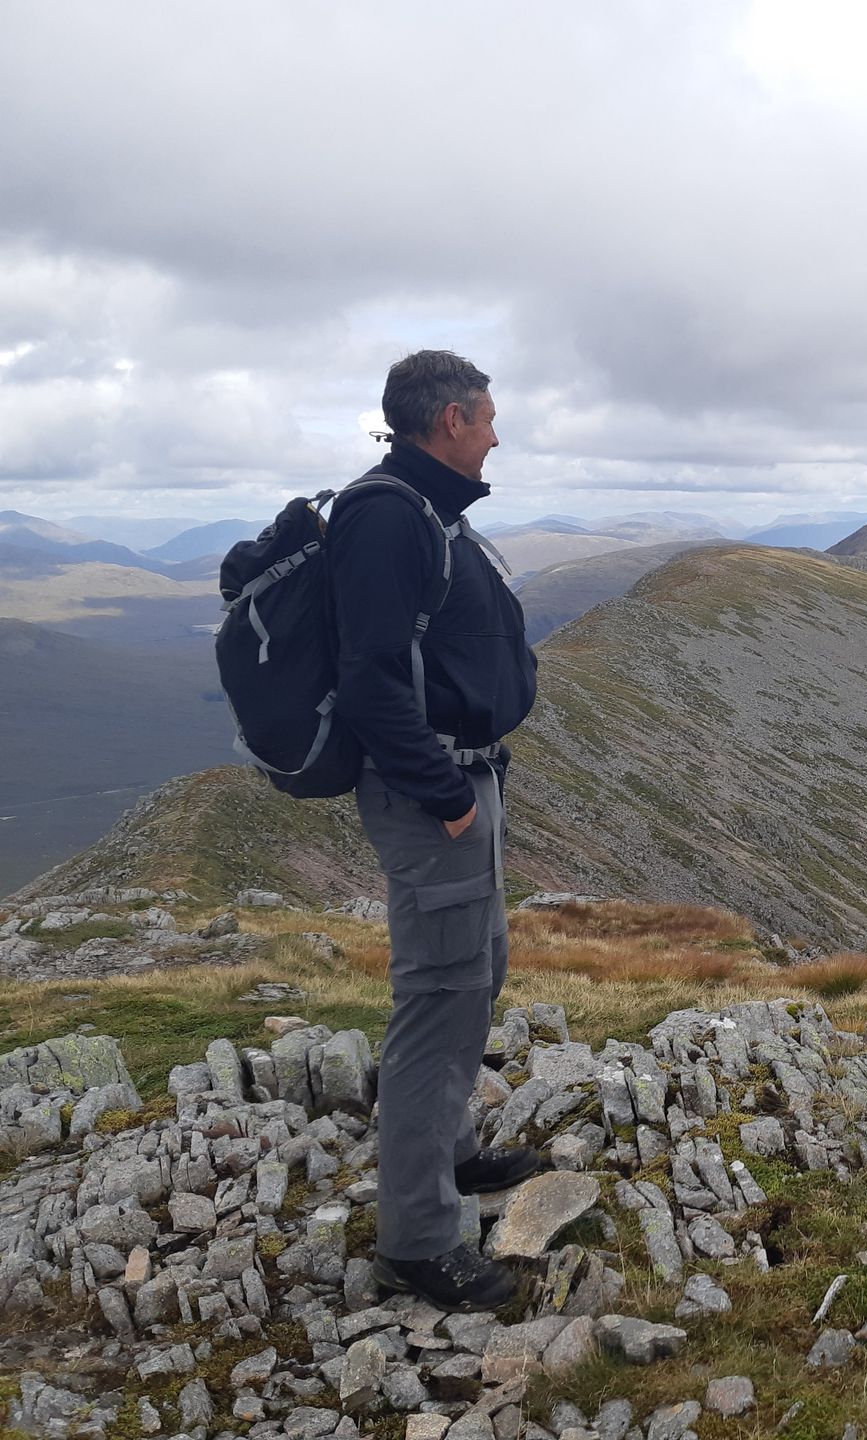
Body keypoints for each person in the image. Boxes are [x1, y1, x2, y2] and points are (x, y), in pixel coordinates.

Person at [331, 349, 539, 1310]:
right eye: (489, 417)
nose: (497, 433)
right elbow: (369, 675)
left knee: (478, 968)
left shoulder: (427, 511)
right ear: (450, 419)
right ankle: (417, 1240)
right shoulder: (385, 516)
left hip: (463, 782)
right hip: (434, 796)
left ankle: (450, 1155)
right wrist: (443, 795)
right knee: (441, 997)